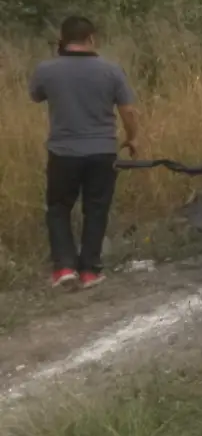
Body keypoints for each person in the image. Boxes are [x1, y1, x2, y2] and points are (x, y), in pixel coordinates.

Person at [29, 16, 139, 289]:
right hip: (103, 151)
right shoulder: (111, 70)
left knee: (58, 208)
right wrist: (133, 137)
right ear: (91, 38)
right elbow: (128, 110)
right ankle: (89, 270)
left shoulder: (47, 69)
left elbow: (36, 95)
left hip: (63, 151)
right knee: (96, 209)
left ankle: (64, 267)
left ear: (62, 39)